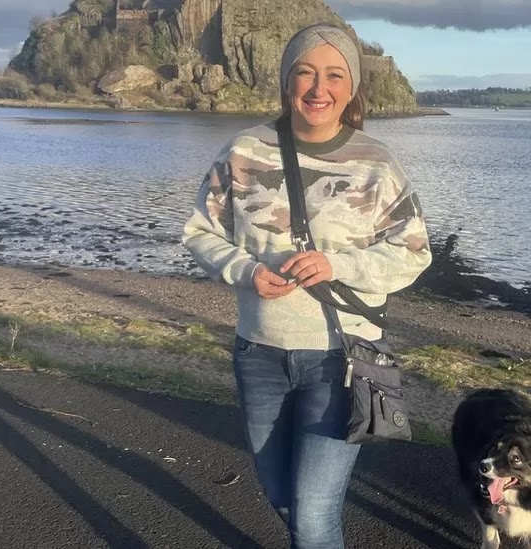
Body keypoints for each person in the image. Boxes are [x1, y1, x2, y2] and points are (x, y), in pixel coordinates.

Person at [182, 23, 431, 549]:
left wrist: (337, 264)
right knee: (281, 495)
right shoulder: (243, 152)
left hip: (338, 362)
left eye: (335, 75)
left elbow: (414, 253)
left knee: (315, 517)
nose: (319, 88)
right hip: (259, 354)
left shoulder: (377, 164)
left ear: (352, 88)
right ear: (287, 81)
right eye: (306, 73)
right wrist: (246, 271)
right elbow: (199, 231)